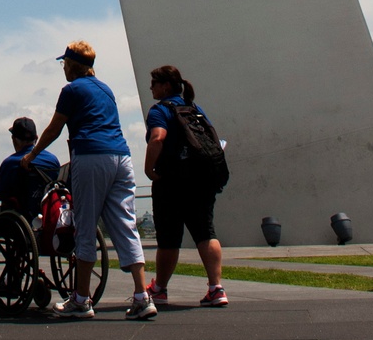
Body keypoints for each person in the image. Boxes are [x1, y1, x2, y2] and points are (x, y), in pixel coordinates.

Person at [22, 41, 155, 320]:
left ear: (73, 65)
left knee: (84, 225)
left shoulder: (72, 90)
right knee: (125, 225)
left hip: (91, 156)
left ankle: (81, 300)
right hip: (122, 157)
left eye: (64, 64)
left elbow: (55, 128)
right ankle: (142, 297)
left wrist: (32, 154)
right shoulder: (106, 89)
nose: (63, 69)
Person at [144, 64, 227, 307]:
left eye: (154, 84)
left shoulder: (160, 110)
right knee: (205, 233)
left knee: (169, 238)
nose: (151, 88)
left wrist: (149, 169)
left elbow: (158, 137)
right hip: (202, 180)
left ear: (165, 86)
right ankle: (216, 288)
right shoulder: (194, 108)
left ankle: (159, 289)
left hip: (171, 181)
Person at [0, 117, 60, 248]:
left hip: (17, 224)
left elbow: (2, 195)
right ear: (37, 138)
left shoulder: (9, 163)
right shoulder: (53, 161)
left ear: (14, 140)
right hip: (47, 222)